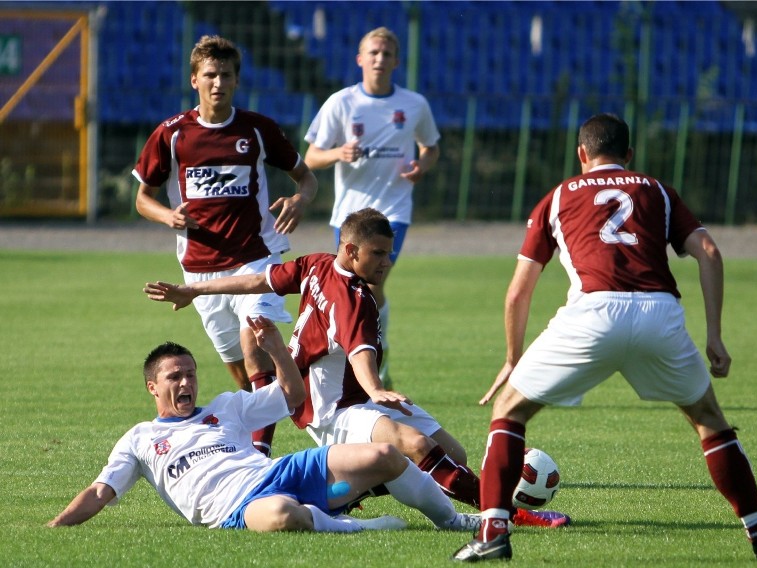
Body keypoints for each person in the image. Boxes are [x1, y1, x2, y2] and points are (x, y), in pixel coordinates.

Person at [452, 113, 757, 562]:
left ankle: (493, 533)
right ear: (629, 155)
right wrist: (715, 336)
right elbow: (709, 253)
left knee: (509, 411)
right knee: (709, 419)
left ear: (581, 154)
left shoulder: (556, 197)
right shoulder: (657, 190)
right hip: (660, 314)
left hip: (592, 313)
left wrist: (512, 357)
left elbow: (519, 290)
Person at [143, 208, 569, 529]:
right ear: (351, 250)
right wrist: (377, 388)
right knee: (412, 442)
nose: (386, 262)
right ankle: (510, 516)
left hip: (355, 397)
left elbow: (259, 280)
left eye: (389, 253)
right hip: (332, 407)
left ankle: (361, 485)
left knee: (452, 459)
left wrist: (193, 289)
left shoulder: (316, 265)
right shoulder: (354, 299)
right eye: (378, 254)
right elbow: (360, 353)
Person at [47, 316, 481, 533]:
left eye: (190, 374)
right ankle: (358, 526)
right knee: (279, 514)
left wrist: (276, 350)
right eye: (174, 377)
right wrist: (56, 527)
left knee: (387, 454)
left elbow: (292, 397)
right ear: (152, 388)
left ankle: (456, 522)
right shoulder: (140, 439)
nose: (186, 383)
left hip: (278, 471)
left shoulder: (227, 406)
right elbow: (100, 492)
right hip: (236, 508)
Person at [133, 35, 319, 457]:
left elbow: (306, 178)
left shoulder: (256, 129)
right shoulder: (172, 134)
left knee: (258, 350)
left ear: (237, 81)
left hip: (256, 259)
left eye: (227, 75)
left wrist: (300, 200)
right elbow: (142, 198)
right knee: (241, 373)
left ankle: (258, 460)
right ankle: (264, 427)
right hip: (200, 271)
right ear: (194, 79)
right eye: (211, 75)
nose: (219, 82)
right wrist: (167, 216)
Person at [303, 26, 440, 387]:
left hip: (393, 210)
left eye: (386, 54)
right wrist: (337, 152)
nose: (380, 59)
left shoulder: (414, 105)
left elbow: (431, 147)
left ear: (396, 61)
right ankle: (364, 354)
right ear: (360, 59)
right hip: (349, 214)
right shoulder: (341, 102)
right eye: (373, 53)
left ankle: (376, 354)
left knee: (372, 280)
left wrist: (421, 167)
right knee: (352, 286)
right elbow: (311, 157)